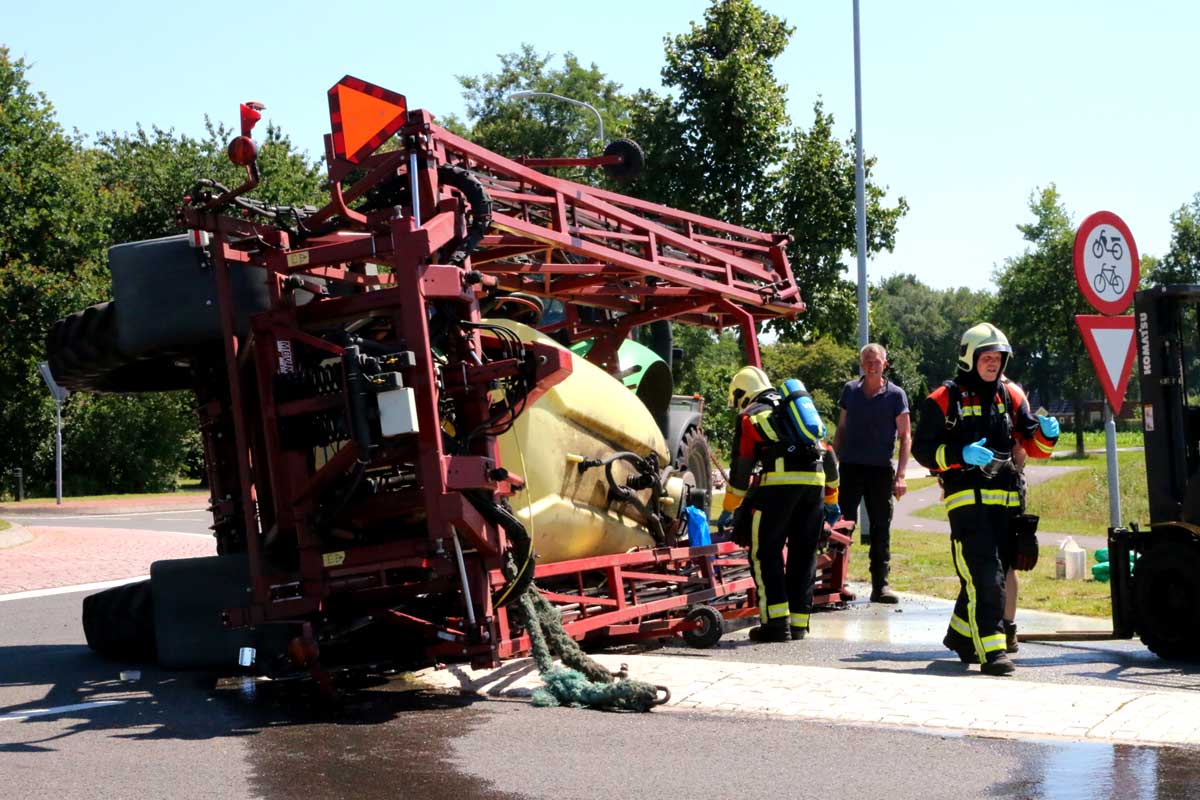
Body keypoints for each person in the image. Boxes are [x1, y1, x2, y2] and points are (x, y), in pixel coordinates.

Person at [912, 323, 1059, 676]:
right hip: (967, 502)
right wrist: (960, 453)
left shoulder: (1011, 396)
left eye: (998, 358)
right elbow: (922, 450)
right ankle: (992, 652)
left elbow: (1033, 447)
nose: (993, 364)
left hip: (1007, 504)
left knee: (991, 573)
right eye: (987, 358)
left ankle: (962, 637)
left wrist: (1046, 436)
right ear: (970, 358)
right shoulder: (944, 398)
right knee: (984, 575)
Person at [717, 366, 839, 642]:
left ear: (742, 394)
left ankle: (775, 624)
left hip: (779, 488)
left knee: (766, 553)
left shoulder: (751, 416)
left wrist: (730, 506)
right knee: (804, 553)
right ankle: (797, 624)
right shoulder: (794, 411)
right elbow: (828, 454)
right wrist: (831, 498)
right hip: (815, 486)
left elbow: (741, 469)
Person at [832, 343, 911, 604]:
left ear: (884, 364)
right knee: (842, 527)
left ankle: (881, 586)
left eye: (876, 361)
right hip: (851, 467)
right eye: (867, 361)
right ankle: (837, 584)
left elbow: (905, 436)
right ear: (861, 365)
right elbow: (841, 429)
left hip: (880, 470)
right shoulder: (850, 391)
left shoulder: (896, 395)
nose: (872, 364)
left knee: (880, 527)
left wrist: (900, 476)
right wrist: (832, 464)